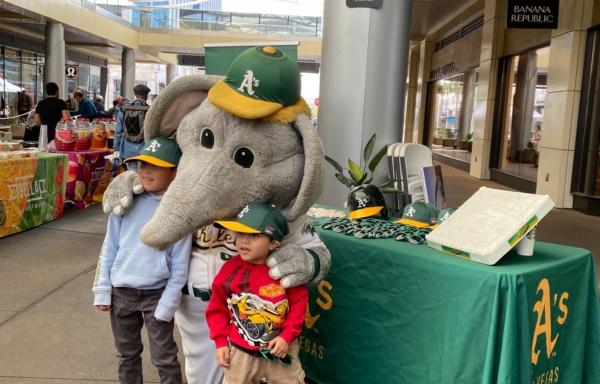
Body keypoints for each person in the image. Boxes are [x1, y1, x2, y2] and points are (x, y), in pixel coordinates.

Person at [93, 137, 192, 384]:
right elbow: (110, 248)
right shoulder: (124, 203)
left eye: (155, 165)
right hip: (121, 294)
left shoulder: (178, 212)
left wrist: (168, 303)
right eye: (141, 164)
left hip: (156, 295)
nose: (145, 170)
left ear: (175, 172)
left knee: (165, 357)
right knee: (126, 355)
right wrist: (103, 290)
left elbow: (180, 264)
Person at [206, 203, 307, 384]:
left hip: (281, 351)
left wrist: (287, 336)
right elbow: (217, 308)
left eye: (254, 235)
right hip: (241, 354)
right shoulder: (229, 271)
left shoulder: (284, 269)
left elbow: (299, 304)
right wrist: (220, 341)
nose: (244, 241)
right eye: (240, 233)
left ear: (274, 243)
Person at [114, 84, 151, 170]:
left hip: (127, 149)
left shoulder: (124, 109)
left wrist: (116, 148)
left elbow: (118, 130)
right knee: (142, 175)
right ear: (146, 95)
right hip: (144, 149)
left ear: (134, 94)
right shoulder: (150, 110)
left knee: (130, 176)